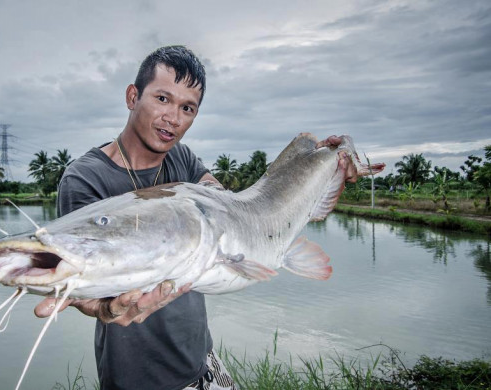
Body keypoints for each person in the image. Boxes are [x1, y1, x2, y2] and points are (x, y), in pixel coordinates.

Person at [34, 45, 357, 390]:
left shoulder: (181, 158)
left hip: (202, 357)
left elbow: (223, 199)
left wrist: (324, 163)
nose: (173, 118)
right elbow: (87, 276)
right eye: (162, 98)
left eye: (187, 108)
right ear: (132, 96)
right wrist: (97, 304)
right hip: (140, 376)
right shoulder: (84, 179)